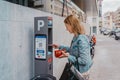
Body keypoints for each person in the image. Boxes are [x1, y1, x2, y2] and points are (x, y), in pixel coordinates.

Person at [53, 15, 93, 80]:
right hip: (77, 70)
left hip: (81, 73)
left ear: (72, 25)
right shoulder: (76, 37)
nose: (66, 29)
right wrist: (59, 46)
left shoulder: (81, 39)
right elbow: (72, 49)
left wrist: (68, 56)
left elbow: (84, 60)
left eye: (67, 26)